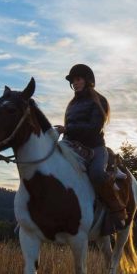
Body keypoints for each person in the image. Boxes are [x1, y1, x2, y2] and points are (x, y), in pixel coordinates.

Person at [56, 64, 127, 234]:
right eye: (73, 81)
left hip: (95, 148)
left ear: (87, 81)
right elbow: (69, 128)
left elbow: (94, 127)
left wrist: (68, 130)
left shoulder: (99, 101)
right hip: (73, 146)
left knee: (96, 173)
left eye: (78, 79)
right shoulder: (71, 104)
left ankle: (118, 212)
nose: (75, 83)